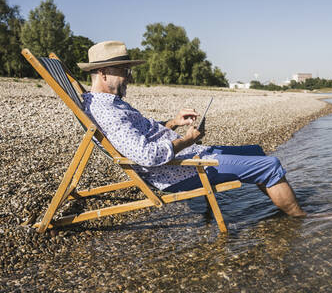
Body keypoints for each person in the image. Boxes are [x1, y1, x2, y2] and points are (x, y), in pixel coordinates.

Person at [78, 41, 308, 217]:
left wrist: (173, 123)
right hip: (181, 171)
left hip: (188, 158)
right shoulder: (107, 111)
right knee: (271, 165)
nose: (129, 76)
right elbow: (146, 155)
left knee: (256, 151)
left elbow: (141, 134)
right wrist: (188, 140)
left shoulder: (109, 103)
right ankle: (302, 220)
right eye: (124, 70)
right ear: (103, 72)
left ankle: (282, 207)